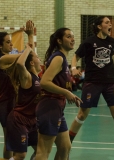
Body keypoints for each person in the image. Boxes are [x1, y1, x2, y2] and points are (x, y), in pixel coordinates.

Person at [69, 16, 114, 159]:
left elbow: (111, 57)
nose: (110, 24)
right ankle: (66, 145)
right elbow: (75, 56)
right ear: (99, 26)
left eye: (110, 22)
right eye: (106, 22)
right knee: (82, 114)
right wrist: (73, 68)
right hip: (92, 82)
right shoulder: (89, 42)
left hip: (110, 82)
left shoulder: (112, 42)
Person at [35, 28, 82, 160]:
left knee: (65, 147)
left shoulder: (62, 58)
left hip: (57, 108)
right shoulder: (58, 59)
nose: (72, 39)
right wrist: (66, 92)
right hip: (49, 107)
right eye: (68, 37)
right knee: (43, 151)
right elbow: (44, 82)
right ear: (59, 41)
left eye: (73, 36)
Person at [0, 20, 34, 159]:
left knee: (15, 139)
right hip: (6, 103)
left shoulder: (9, 57)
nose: (11, 44)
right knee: (9, 139)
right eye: (8, 42)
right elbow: (28, 54)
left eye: (11, 41)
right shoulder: (3, 59)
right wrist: (30, 36)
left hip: (16, 101)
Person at [5, 21, 41, 160]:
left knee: (40, 150)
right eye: (37, 57)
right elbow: (21, 63)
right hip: (19, 120)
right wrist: (28, 48)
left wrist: (30, 35)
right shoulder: (27, 77)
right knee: (20, 155)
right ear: (32, 63)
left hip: (32, 120)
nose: (39, 58)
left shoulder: (38, 77)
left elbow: (30, 55)